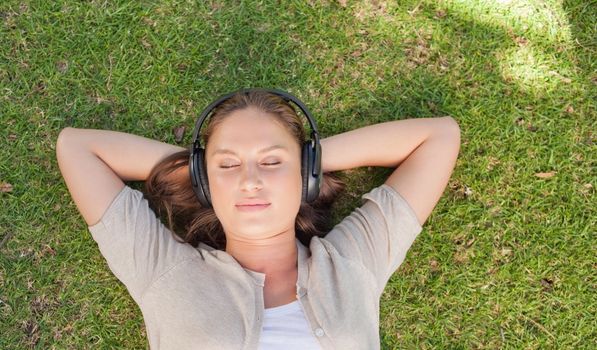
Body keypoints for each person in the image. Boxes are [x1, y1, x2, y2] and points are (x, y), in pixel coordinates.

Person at [56, 89, 461, 349]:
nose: (250, 181)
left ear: (304, 175)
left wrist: (310, 163)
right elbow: (78, 148)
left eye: (271, 161)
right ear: (205, 179)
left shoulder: (353, 263)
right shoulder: (166, 274)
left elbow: (438, 137)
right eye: (229, 165)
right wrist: (203, 172)